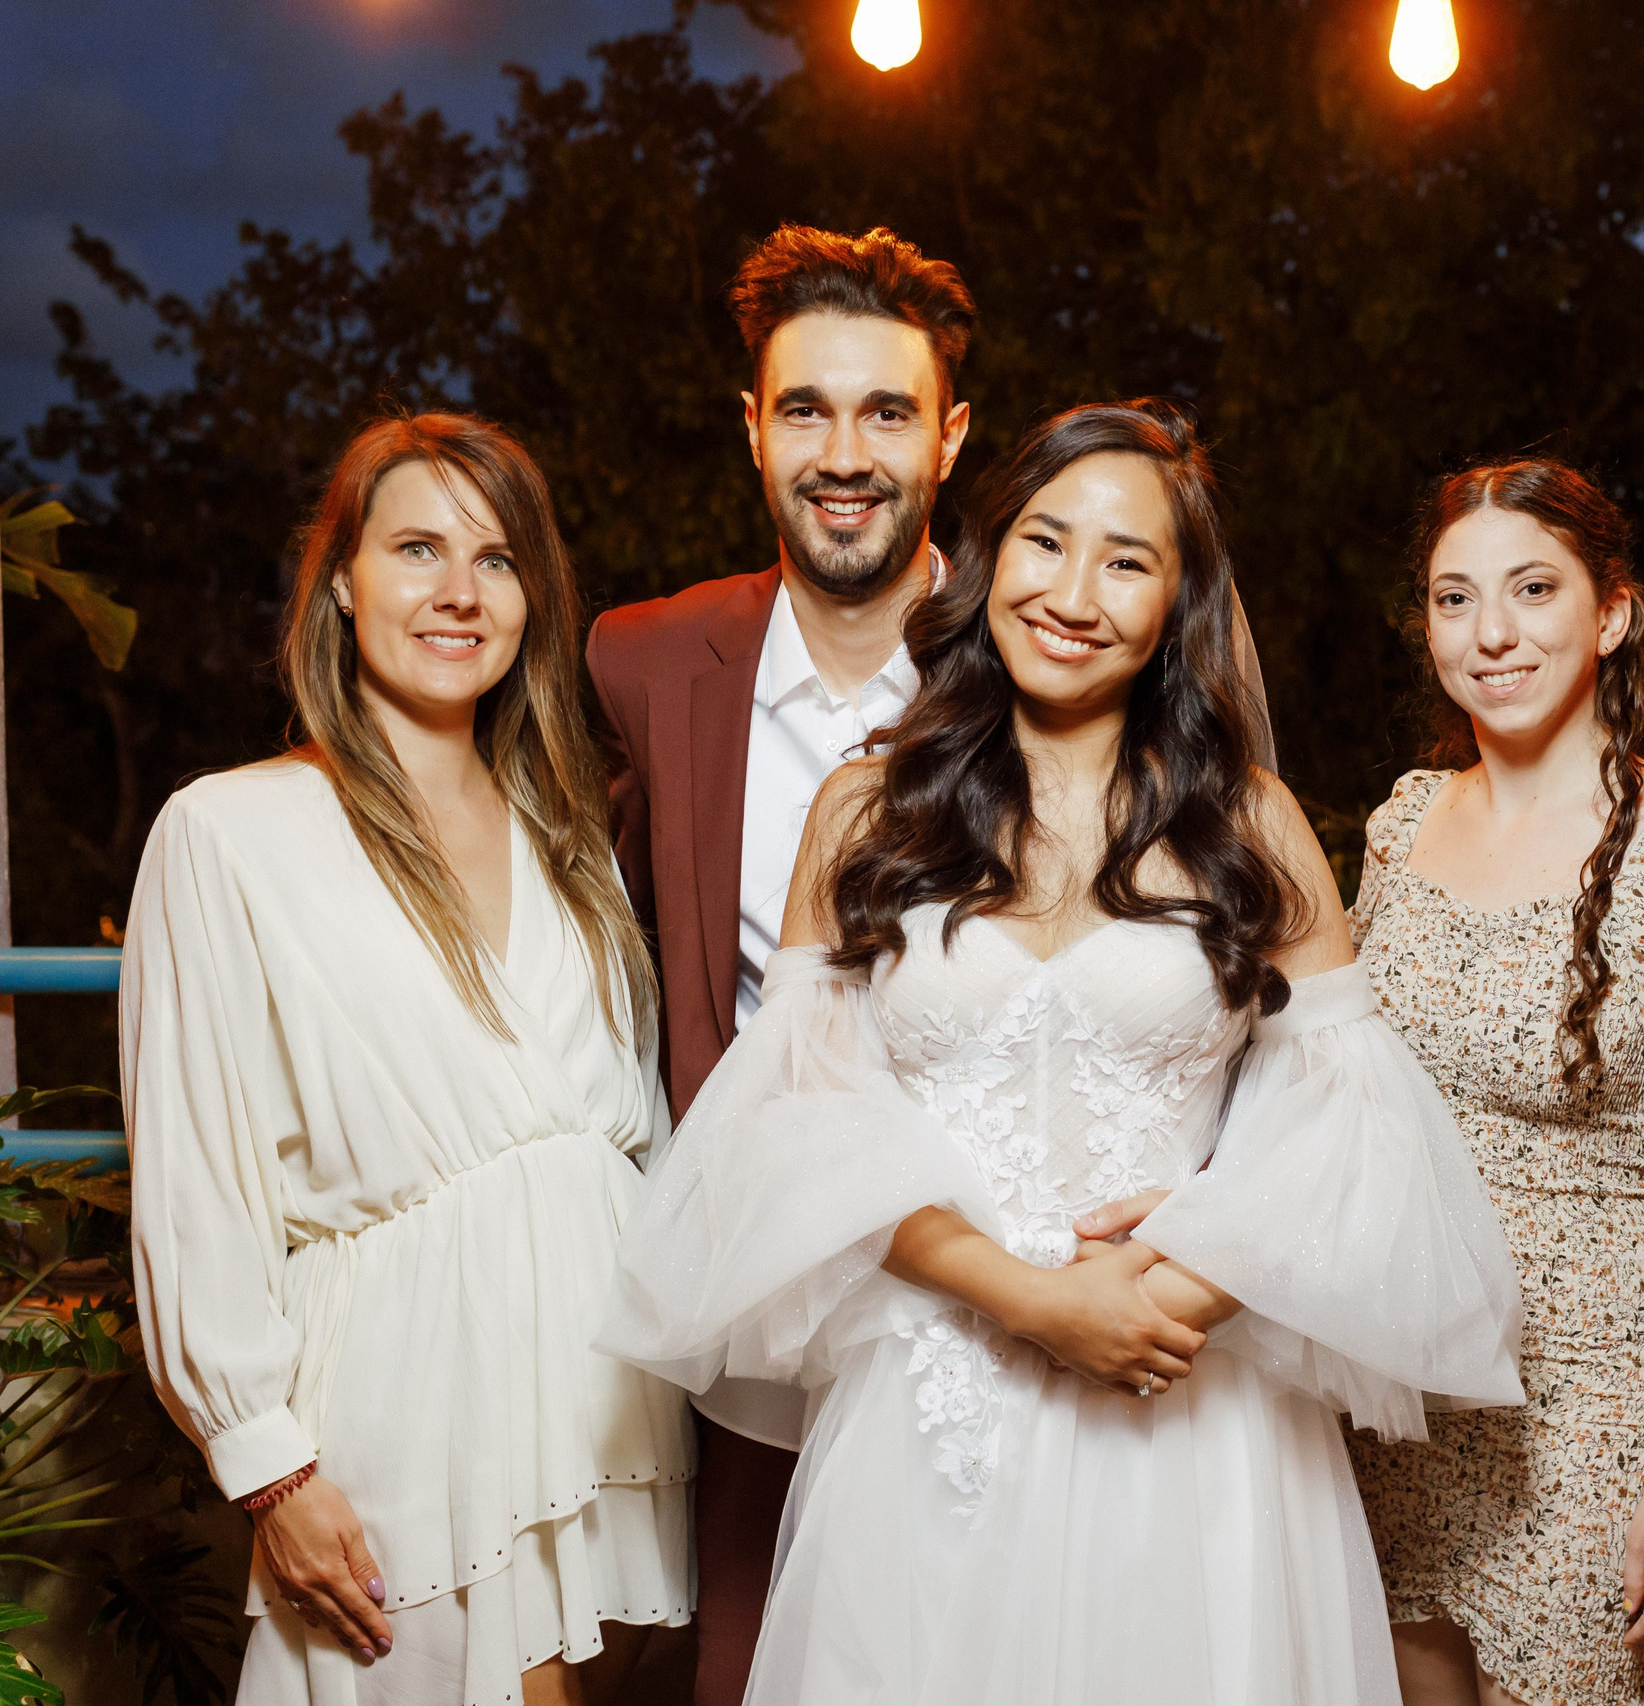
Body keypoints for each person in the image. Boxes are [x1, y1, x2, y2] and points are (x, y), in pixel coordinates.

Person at [597, 400, 1525, 1704]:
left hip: (1192, 1407)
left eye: (1128, 560)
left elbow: (1359, 1122)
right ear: (990, 558)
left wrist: (1191, 1275)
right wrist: (1023, 1294)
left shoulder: (1246, 823)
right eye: (1046, 540)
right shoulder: (866, 810)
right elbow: (799, 1117)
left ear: (1177, 603)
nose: (1074, 592)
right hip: (932, 1411)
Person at [121, 414, 694, 1706]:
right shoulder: (230, 832)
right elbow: (195, 1186)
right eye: (418, 547)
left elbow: (637, 1137)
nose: (457, 591)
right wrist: (271, 1466)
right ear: (341, 581)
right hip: (404, 1413)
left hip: (614, 1416)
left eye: (496, 559)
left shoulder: (574, 840)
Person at [1315, 459, 1644, 1706]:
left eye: (1533, 589)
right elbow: (1331, 1081)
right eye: (1453, 597)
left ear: (1612, 611)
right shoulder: (1401, 820)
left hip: (1593, 1400)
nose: (1491, 633)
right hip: (1405, 1383)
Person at [583, 224, 973, 1704]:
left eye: (886, 411)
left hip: (989, 1290)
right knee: (750, 1673)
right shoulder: (645, 659)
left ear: (950, 430)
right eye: (806, 408)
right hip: (758, 1308)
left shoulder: (1047, 643)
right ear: (753, 428)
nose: (845, 450)